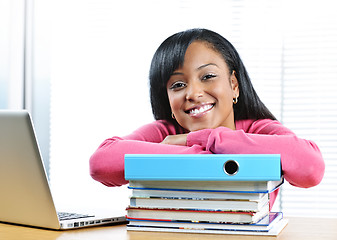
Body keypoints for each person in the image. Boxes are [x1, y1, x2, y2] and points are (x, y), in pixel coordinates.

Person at [89, 28, 325, 209]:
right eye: (178, 84)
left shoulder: (260, 130)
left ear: (233, 85)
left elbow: (311, 168)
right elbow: (101, 162)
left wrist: (204, 139)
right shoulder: (164, 131)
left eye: (208, 76)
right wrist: (206, 153)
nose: (192, 94)